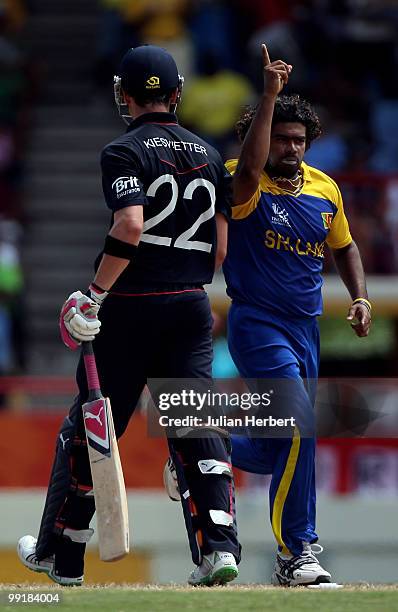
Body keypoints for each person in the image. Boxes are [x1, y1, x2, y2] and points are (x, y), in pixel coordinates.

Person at [17, 44, 240, 587]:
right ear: (178, 94)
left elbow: (131, 226)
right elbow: (221, 251)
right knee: (194, 423)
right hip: (190, 306)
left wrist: (94, 294)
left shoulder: (123, 152)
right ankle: (218, 547)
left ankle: (61, 555)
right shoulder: (210, 155)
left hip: (132, 307)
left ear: (126, 95)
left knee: (95, 429)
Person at [165, 44, 371, 587]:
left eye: (298, 140)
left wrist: (360, 295)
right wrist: (270, 96)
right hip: (258, 323)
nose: (290, 147)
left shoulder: (325, 188)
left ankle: (206, 441)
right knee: (300, 421)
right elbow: (253, 170)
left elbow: (344, 246)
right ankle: (298, 550)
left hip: (308, 330)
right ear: (260, 133)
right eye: (281, 136)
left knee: (290, 438)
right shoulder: (240, 175)